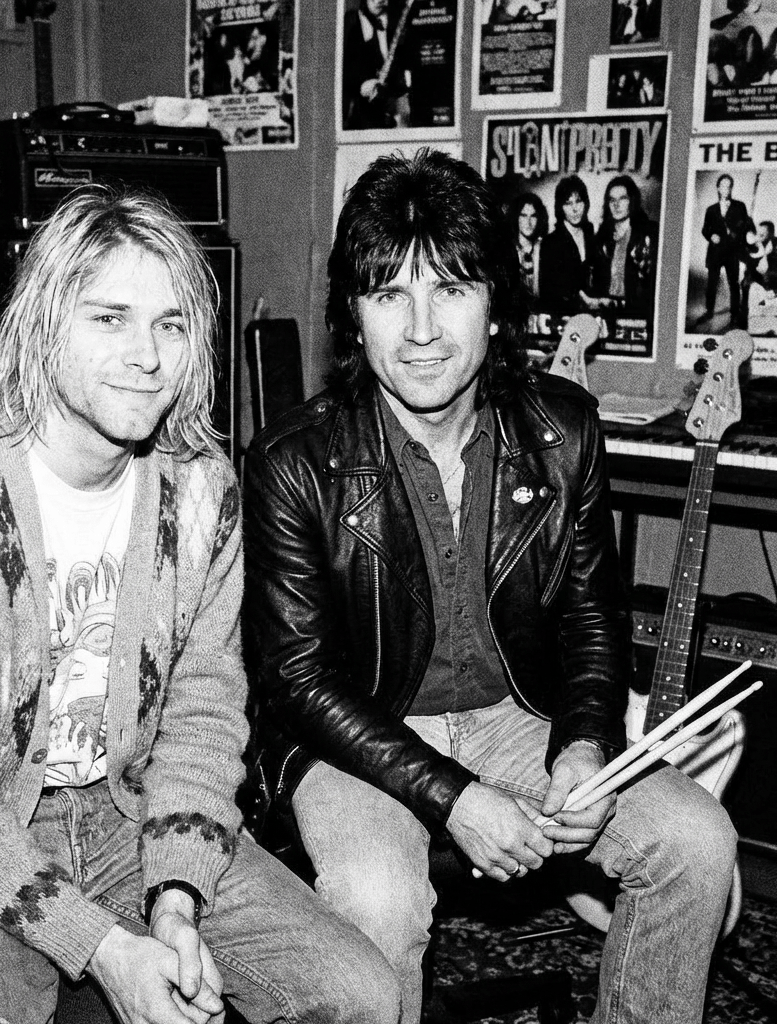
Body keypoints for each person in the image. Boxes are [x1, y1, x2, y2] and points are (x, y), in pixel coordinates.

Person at [0, 187, 401, 1024]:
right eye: (108, 317)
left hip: (130, 813)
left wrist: (175, 898)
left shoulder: (201, 491)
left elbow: (203, 712)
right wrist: (105, 947)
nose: (147, 356)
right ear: (44, 324)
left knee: (361, 996)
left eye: (169, 324)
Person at [242, 149, 738, 1024]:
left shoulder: (563, 429)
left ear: (498, 307)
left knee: (698, 839)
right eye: (390, 294)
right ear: (352, 318)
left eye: (453, 289)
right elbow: (298, 682)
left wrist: (585, 742)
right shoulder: (294, 463)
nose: (423, 329)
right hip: (362, 731)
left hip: (517, 715)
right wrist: (454, 798)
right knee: (377, 895)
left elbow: (592, 613)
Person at [591, 175, 658, 317]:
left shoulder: (649, 233)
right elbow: (597, 283)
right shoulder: (601, 239)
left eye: (623, 198)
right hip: (607, 312)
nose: (616, 205)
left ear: (632, 201)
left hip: (638, 313)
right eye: (612, 200)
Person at [341, 0, 411, 130]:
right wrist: (361, 85)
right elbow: (343, 67)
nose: (379, 1)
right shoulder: (351, 21)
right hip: (363, 104)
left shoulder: (398, 19)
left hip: (394, 99)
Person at [700, 172, 754, 329]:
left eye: (728, 186)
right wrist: (711, 236)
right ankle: (709, 311)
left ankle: (735, 315)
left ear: (731, 188)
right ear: (718, 188)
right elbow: (705, 229)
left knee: (734, 284)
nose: (726, 188)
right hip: (715, 253)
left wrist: (747, 232)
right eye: (722, 185)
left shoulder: (740, 206)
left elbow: (746, 225)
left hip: (732, 253)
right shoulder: (711, 210)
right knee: (711, 284)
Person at [539, 175, 598, 312]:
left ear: (586, 203)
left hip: (592, 317)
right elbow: (550, 291)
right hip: (563, 316)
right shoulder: (550, 242)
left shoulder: (592, 237)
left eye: (578, 201)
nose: (575, 209)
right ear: (560, 207)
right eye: (568, 203)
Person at [508, 192, 547, 299]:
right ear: (516, 217)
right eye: (524, 215)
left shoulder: (545, 248)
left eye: (533, 216)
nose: (528, 222)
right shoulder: (508, 250)